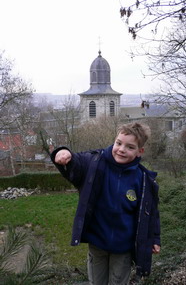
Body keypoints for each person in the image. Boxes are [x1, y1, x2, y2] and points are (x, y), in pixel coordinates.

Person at [51, 122, 160, 285]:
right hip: (97, 242)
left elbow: (151, 213)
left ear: (139, 152)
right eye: (119, 143)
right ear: (114, 141)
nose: (122, 149)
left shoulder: (143, 180)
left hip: (123, 247)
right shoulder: (95, 162)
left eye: (130, 147)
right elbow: (77, 163)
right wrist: (62, 153)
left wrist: (155, 238)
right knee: (96, 282)